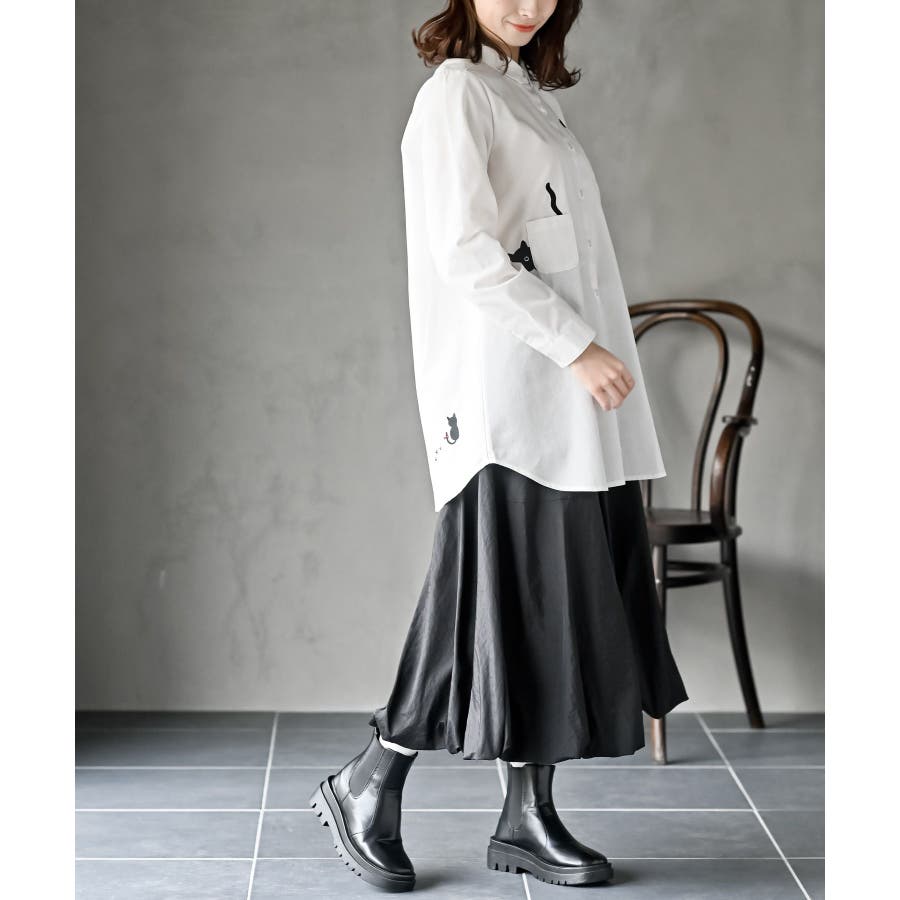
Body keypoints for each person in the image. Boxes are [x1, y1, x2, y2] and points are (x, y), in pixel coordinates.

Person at [309, 0, 688, 891]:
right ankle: (369, 781)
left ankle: (525, 815)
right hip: (507, 399)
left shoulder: (523, 94)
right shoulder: (455, 95)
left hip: (563, 398)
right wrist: (577, 346)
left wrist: (585, 353)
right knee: (487, 591)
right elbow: (464, 252)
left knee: (542, 602)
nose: (529, 4)